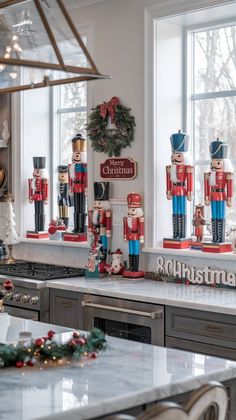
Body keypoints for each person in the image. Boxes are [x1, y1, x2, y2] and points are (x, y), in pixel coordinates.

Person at [204, 138, 233, 243]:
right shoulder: (210, 174)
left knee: (220, 216)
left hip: (221, 196)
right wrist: (207, 197)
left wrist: (229, 199)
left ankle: (220, 238)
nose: (215, 163)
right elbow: (207, 185)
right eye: (213, 161)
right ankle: (214, 237)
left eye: (218, 161)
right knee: (214, 216)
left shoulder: (226, 174)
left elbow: (229, 186)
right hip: (213, 196)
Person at [166, 130, 193, 239]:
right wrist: (168, 191)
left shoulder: (187, 167)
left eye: (178, 155)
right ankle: (175, 232)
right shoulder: (170, 168)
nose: (174, 157)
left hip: (182, 189)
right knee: (174, 211)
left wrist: (190, 192)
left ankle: (181, 233)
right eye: (173, 155)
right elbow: (168, 180)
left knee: (181, 210)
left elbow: (190, 180)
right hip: (174, 189)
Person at [88, 182, 112, 262]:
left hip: (103, 229)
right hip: (96, 231)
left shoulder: (106, 212)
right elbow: (91, 221)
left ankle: (103, 261)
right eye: (95, 203)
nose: (96, 205)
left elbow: (108, 221)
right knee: (96, 243)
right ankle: (96, 261)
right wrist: (90, 229)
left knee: (103, 243)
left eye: (99, 203)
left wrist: (108, 231)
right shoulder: (93, 212)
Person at [68, 134, 87, 234]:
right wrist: (70, 187)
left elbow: (86, 177)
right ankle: (76, 227)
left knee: (82, 207)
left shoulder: (85, 166)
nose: (76, 157)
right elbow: (71, 178)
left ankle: (82, 227)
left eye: (78, 155)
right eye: (75, 155)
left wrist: (86, 187)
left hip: (82, 187)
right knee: (76, 207)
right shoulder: (72, 167)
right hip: (75, 187)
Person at [123, 193, 144, 276]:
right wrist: (125, 235)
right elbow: (125, 228)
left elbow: (141, 227)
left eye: (133, 209)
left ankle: (135, 268)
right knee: (130, 251)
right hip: (130, 235)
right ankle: (131, 267)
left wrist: (142, 236)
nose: (131, 212)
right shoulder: (126, 218)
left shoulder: (139, 218)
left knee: (136, 251)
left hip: (136, 236)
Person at [28, 157, 48, 232]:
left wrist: (46, 198)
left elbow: (45, 190)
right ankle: (37, 227)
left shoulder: (44, 180)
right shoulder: (31, 180)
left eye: (38, 170)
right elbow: (30, 189)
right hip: (35, 196)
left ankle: (41, 227)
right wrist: (30, 197)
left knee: (41, 211)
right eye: (35, 170)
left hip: (41, 196)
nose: (36, 172)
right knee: (36, 211)